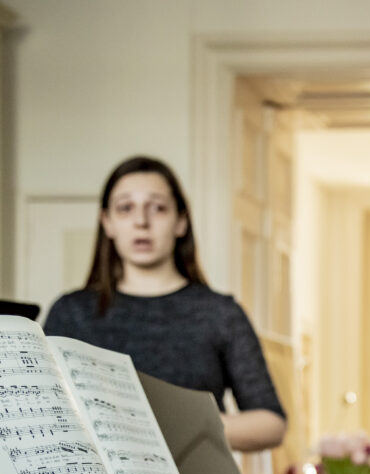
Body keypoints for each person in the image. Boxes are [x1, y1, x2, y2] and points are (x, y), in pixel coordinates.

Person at [43, 156, 286, 452]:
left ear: (181, 221)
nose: (141, 222)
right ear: (107, 222)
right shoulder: (71, 313)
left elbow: (271, 423)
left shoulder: (220, 313)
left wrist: (175, 425)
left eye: (157, 208)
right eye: (125, 208)